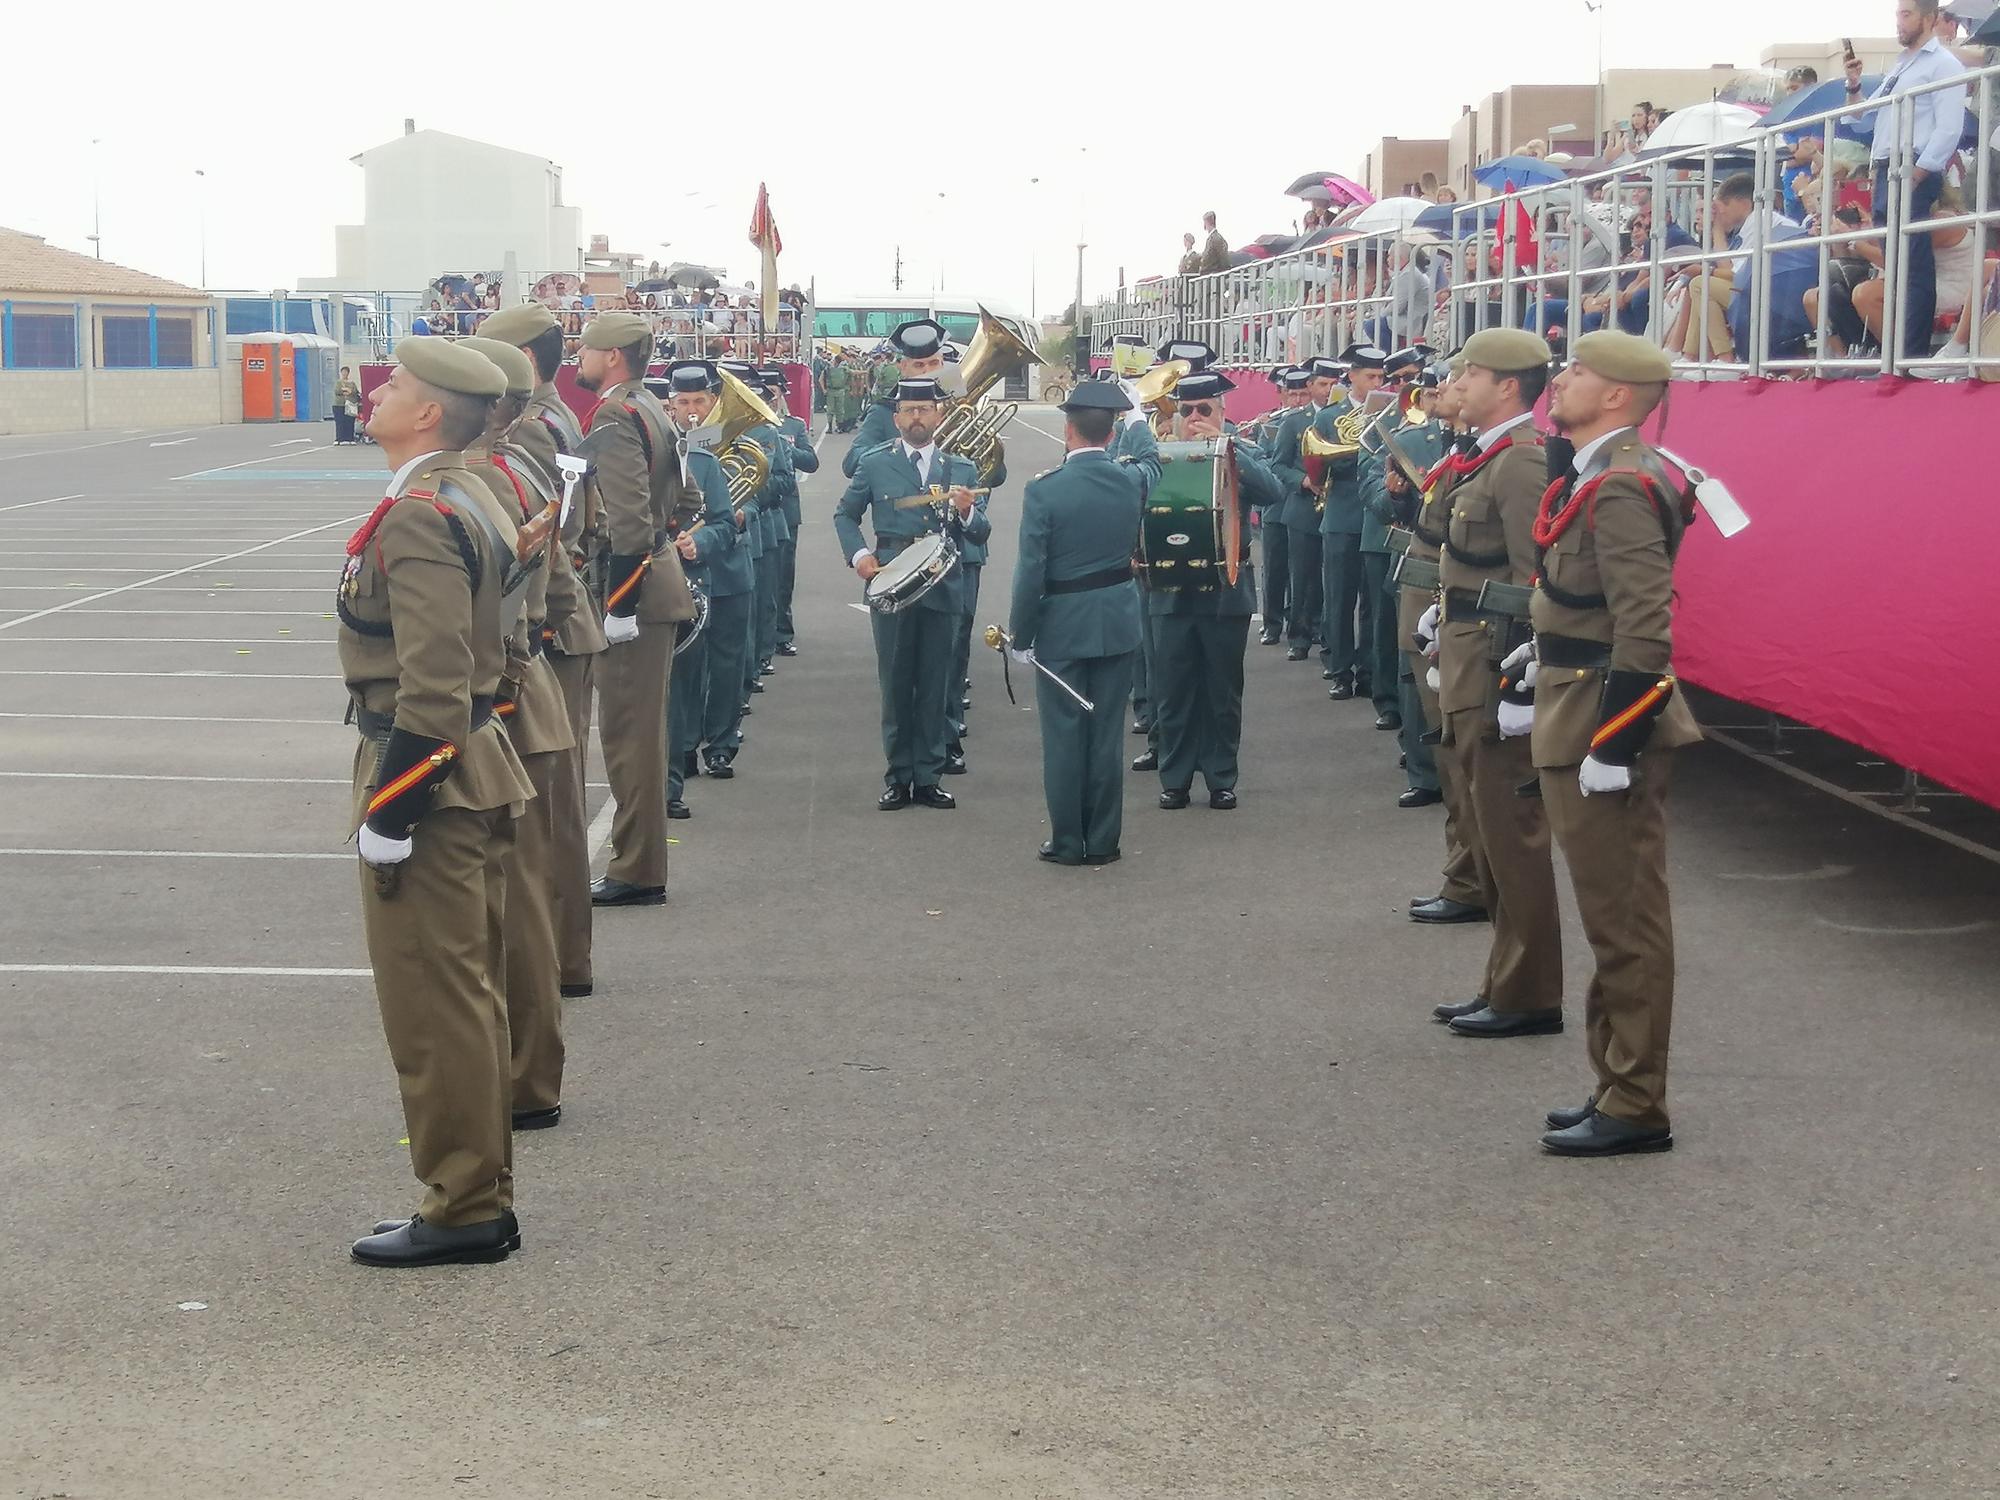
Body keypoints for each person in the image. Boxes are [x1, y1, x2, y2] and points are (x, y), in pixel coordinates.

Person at [340, 337, 533, 1267]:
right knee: (468, 995)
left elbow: (431, 686)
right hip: (474, 768)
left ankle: (463, 1205)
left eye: (398, 385)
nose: (379, 391)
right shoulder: (468, 488)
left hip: (433, 784)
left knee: (437, 1004)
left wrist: (391, 814)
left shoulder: (420, 513)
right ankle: (477, 1190)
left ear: (427, 415)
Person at [1530, 331, 1704, 1155]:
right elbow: (1582, 604)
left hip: (1604, 718)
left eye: (1577, 372)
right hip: (1579, 705)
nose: (1559, 380)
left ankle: (1636, 1103)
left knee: (1627, 919)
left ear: (1616, 397)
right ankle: (1614, 1081)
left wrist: (1618, 742)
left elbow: (1645, 629)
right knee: (1609, 918)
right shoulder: (1600, 475)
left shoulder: (1625, 486)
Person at [1423, 328, 1565, 1039]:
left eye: (1471, 372)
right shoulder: (1487, 456)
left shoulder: (1519, 464)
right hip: (1467, 660)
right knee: (1489, 835)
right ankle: (1504, 981)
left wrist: (1517, 683)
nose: (1460, 382)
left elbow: (1529, 577)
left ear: (1508, 385)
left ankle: (1529, 992)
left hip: (1492, 666)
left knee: (1513, 837)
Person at [478, 300, 604, 999]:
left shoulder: (530, 432)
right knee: (554, 813)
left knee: (548, 818)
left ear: (520, 363)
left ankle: (560, 963)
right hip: (565, 617)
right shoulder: (554, 420)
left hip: (551, 628)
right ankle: (565, 961)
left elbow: (551, 535)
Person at [575, 311, 699, 907]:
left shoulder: (614, 414)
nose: (580, 354)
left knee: (629, 739)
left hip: (635, 597)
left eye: (588, 347)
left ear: (614, 357)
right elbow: (686, 497)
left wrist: (618, 605)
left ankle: (636, 870)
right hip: (657, 582)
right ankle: (639, 864)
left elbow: (627, 524)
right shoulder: (651, 406)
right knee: (639, 735)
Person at [1007, 381, 1146, 864]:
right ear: (1111, 434)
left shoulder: (1044, 491)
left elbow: (1030, 572)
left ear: (1068, 430)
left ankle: (1068, 841)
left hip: (1064, 624)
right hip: (1118, 618)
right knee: (1106, 734)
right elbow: (1148, 455)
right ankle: (1104, 841)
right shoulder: (1133, 479)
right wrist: (1140, 417)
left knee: (1065, 736)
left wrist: (1021, 636)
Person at [835, 378, 988, 808]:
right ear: (897, 417)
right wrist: (860, 555)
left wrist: (966, 509)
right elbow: (845, 514)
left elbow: (980, 531)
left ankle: (929, 776)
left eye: (925, 409)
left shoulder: (962, 468)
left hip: (943, 584)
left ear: (938, 416)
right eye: (909, 410)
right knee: (897, 682)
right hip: (891, 582)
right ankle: (899, 776)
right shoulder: (874, 462)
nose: (917, 417)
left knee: (938, 683)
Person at [1144, 363, 1282, 810]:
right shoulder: (1159, 451)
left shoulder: (1238, 447)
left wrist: (1229, 445)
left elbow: (1273, 491)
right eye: (1187, 409)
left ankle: (1222, 776)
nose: (1195, 416)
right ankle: (1176, 777)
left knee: (1223, 690)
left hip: (1226, 586)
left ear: (1222, 410)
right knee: (1174, 689)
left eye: (1205, 408)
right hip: (1170, 588)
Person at [1390, 365, 1490, 930]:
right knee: (1445, 747)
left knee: (1464, 754)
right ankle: (1464, 871)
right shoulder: (1451, 452)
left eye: (1456, 381)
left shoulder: (1495, 456)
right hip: (1426, 590)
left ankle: (1474, 877)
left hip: (1454, 606)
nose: (1445, 391)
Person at [1845, 0, 1970, 360]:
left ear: (1929, 19)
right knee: (1898, 262)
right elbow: (1862, 120)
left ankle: (1910, 356)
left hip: (1910, 166)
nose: (1899, 23)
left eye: (1906, 14)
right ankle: (1901, 356)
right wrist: (1854, 85)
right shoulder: (1901, 66)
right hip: (1888, 167)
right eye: (1898, 15)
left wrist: (1920, 171)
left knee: (1912, 264)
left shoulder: (1943, 64)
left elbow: (1949, 126)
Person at [653, 360, 748, 814]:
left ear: (712, 403)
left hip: (718, 575)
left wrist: (702, 541)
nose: (691, 411)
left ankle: (720, 745)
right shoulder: (659, 453)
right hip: (670, 583)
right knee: (679, 682)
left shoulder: (711, 457)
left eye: (699, 402)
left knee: (726, 663)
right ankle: (681, 757)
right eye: (683, 403)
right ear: (670, 406)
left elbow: (726, 522)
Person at [1317, 344, 1386, 699]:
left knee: (1374, 604)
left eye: (1380, 376)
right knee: (1340, 600)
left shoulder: (1389, 412)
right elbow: (1320, 463)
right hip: (1342, 514)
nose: (1376, 382)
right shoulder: (1329, 416)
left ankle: (1370, 670)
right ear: (1353, 376)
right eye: (1370, 376)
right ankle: (1341, 670)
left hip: (1375, 517)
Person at [1270, 355, 1338, 661]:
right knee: (1303, 577)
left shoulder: (1344, 418)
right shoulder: (1294, 421)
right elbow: (1279, 465)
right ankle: (1299, 636)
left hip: (1336, 508)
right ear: (1310, 386)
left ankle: (1327, 633)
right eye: (1323, 384)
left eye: (1334, 384)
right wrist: (1304, 481)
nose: (1329, 390)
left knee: (1333, 579)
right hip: (1303, 509)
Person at [842, 318, 949, 477]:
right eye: (919, 365)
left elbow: (997, 477)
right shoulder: (883, 411)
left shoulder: (959, 407)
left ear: (943, 364)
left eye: (934, 363)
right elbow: (851, 464)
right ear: (904, 367)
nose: (927, 371)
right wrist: (898, 448)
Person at [763, 365, 817, 658]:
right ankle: (762, 638)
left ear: (783, 394)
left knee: (784, 577)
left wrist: (784, 449)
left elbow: (811, 461)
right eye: (766, 394)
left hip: (786, 507)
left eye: (774, 394)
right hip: (761, 507)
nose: (771, 399)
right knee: (762, 580)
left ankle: (782, 633)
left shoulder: (793, 425)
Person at [1255, 366, 1309, 646]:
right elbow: (1262, 461)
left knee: (1300, 571)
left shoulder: (1310, 421)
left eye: (1302, 394)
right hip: (1276, 504)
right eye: (1293, 394)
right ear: (1284, 395)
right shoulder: (1271, 424)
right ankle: (1272, 624)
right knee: (1274, 567)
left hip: (1301, 504)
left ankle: (1299, 624)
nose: (1298, 401)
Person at [332, 367, 361, 443]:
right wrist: (347, 391)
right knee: (340, 422)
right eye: (343, 372)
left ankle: (350, 438)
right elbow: (337, 391)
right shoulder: (338, 382)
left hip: (350, 405)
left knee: (349, 422)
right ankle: (339, 439)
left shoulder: (352, 383)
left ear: (348, 373)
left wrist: (349, 391)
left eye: (346, 372)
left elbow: (355, 391)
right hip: (339, 405)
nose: (344, 373)